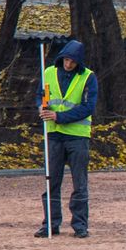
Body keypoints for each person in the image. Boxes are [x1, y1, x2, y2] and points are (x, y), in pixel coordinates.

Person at [36, 40, 96, 238]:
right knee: (50, 181)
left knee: (80, 184)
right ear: (62, 57)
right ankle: (50, 225)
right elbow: (41, 96)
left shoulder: (88, 77)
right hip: (53, 135)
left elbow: (88, 107)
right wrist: (41, 107)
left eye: (72, 61)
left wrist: (59, 117)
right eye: (66, 60)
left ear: (79, 62)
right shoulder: (49, 73)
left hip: (77, 136)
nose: (68, 64)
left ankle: (80, 225)